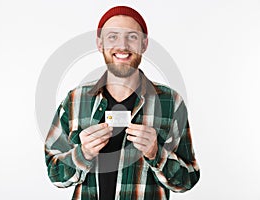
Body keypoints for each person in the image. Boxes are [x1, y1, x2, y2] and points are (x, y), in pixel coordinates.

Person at [45, 6, 200, 200]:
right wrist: (82, 153)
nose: (123, 46)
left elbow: (189, 179)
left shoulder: (170, 101)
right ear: (100, 44)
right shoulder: (75, 100)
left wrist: (156, 154)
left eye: (132, 37)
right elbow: (54, 174)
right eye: (112, 37)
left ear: (144, 44)